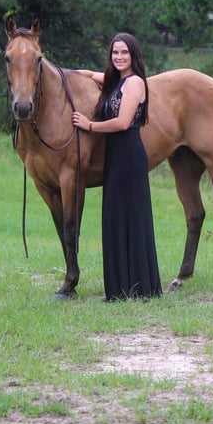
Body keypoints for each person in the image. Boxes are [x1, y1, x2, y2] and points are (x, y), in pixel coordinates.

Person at [72, 33, 163, 301]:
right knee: (115, 218)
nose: (119, 57)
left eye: (124, 52)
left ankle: (139, 287)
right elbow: (89, 75)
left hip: (129, 157)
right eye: (115, 53)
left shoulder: (134, 83)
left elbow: (123, 123)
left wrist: (89, 125)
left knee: (132, 220)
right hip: (115, 157)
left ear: (134, 55)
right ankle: (120, 288)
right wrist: (63, 74)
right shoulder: (117, 81)